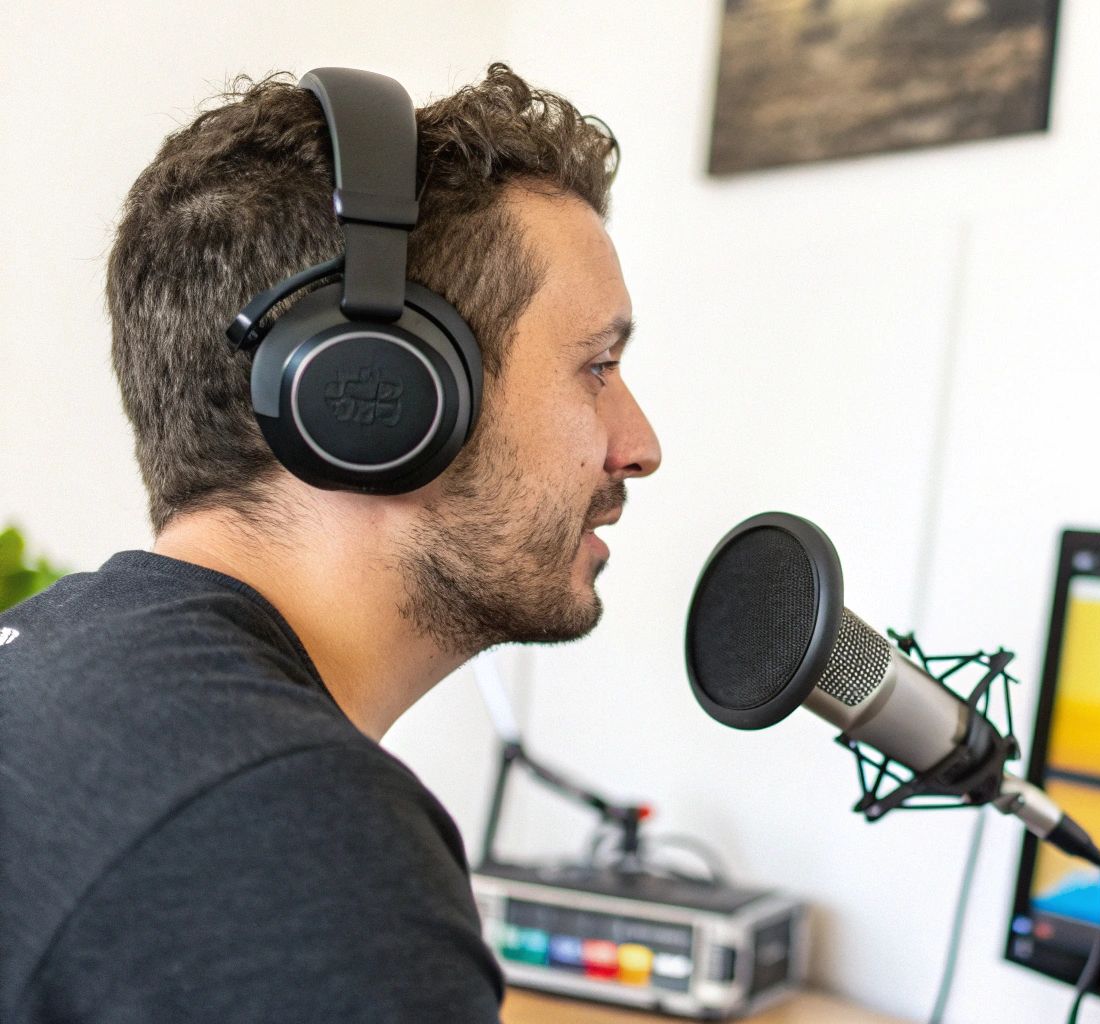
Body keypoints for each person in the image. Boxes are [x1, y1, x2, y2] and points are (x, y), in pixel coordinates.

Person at [0, 63, 659, 1022]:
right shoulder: (287, 837)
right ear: (386, 396)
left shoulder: (50, 665)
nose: (639, 448)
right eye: (596, 367)